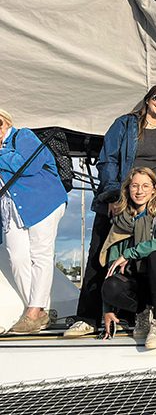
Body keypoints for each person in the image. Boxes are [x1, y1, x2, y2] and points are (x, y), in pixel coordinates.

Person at [64, 84, 156, 338]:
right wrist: (114, 195)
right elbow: (108, 159)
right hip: (121, 199)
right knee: (99, 255)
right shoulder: (125, 125)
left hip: (149, 202)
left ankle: (135, 312)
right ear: (148, 99)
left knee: (142, 259)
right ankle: (88, 318)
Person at [0, 109, 67, 334]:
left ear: (7, 122)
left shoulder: (23, 135)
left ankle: (33, 312)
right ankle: (40, 310)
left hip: (43, 202)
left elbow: (28, 165)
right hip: (11, 210)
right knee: (17, 258)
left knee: (40, 255)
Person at [99, 167, 156, 349]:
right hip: (136, 284)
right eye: (134, 186)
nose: (139, 191)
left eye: (145, 186)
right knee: (110, 286)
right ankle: (142, 313)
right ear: (127, 189)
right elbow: (112, 266)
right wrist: (107, 310)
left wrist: (130, 253)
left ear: (154, 189)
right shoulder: (121, 219)